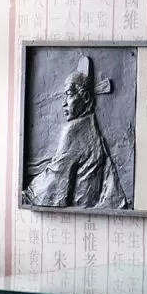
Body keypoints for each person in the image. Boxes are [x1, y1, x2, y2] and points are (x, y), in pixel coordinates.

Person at [23, 56, 128, 209]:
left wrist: (26, 196)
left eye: (69, 94)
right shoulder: (92, 130)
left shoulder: (73, 131)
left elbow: (54, 181)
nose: (64, 103)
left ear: (85, 97)